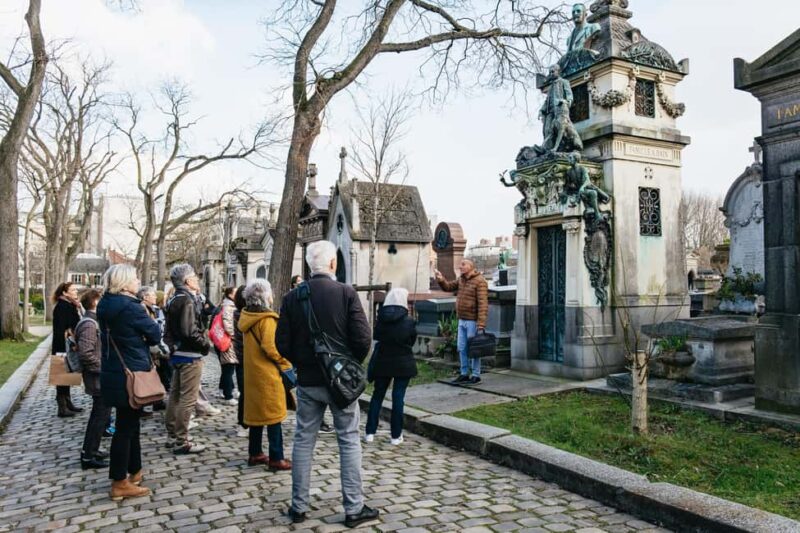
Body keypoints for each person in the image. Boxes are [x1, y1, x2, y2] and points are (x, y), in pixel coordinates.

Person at [276, 240, 378, 528]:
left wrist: (305, 363)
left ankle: (298, 507)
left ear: (310, 265)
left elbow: (281, 343)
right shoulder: (346, 293)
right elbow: (362, 339)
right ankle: (354, 508)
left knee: (303, 440)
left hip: (308, 381)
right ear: (333, 264)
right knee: (348, 440)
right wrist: (345, 365)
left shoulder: (292, 298)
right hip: (340, 384)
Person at [97, 264, 162, 500]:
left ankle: (134, 471)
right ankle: (119, 481)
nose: (138, 281)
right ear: (124, 283)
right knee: (125, 429)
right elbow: (154, 333)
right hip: (131, 372)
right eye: (135, 278)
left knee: (130, 423)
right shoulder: (131, 307)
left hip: (114, 371)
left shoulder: (106, 303)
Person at [239, 279, 293, 470]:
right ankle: (276, 457)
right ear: (264, 296)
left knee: (256, 415)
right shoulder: (267, 320)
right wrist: (286, 362)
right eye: (270, 292)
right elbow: (271, 348)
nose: (273, 296)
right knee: (273, 415)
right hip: (267, 374)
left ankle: (255, 453)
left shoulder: (247, 317)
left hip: (253, 374)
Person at [164, 264, 211, 454]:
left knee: (175, 395)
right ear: (187, 281)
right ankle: (181, 439)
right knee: (187, 398)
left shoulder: (175, 298)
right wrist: (204, 345)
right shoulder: (186, 300)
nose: (197, 279)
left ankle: (172, 435)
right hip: (189, 354)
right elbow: (189, 331)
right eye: (194, 277)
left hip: (178, 353)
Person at [364, 288, 418, 445]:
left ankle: (370, 432)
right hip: (403, 363)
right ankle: (396, 435)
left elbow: (377, 336)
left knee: (377, 396)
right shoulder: (409, 321)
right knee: (398, 398)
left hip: (383, 361)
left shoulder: (381, 319)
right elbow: (411, 341)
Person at [291, 274, 334, 434]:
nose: (301, 284)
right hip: (307, 362)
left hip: (325, 360)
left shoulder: (316, 297)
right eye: (298, 282)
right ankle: (320, 421)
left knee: (305, 433)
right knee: (306, 430)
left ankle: (322, 422)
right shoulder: (292, 299)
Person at [435, 259, 489, 385]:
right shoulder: (461, 279)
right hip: (462, 319)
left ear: (471, 266)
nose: (460, 267)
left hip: (473, 321)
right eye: (461, 264)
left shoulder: (480, 281)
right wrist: (441, 279)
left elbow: (483, 304)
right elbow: (448, 287)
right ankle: (464, 373)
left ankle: (476, 375)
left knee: (474, 348)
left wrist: (481, 324)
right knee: (462, 347)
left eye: (463, 264)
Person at [76, 288, 110, 470]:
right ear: (95, 303)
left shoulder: (93, 321)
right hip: (97, 378)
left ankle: (92, 450)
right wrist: (104, 369)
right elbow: (86, 354)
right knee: (99, 416)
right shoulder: (89, 324)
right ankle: (88, 455)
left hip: (99, 376)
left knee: (100, 416)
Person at [52, 281, 84, 417]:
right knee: (61, 376)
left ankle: (68, 402)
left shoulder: (71, 305)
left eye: (76, 290)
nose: (76, 292)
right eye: (73, 290)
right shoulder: (62, 306)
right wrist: (69, 332)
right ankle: (62, 407)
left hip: (68, 343)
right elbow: (61, 327)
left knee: (69, 374)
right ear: (65, 293)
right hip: (62, 344)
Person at [139, 287, 170, 411]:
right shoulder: (142, 309)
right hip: (147, 348)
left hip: (152, 348)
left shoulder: (151, 309)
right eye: (152, 295)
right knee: (148, 376)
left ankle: (157, 401)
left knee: (157, 374)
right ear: (145, 297)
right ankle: (145, 403)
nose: (155, 297)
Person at [218, 287, 240, 405]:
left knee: (229, 368)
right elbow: (228, 325)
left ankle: (228, 390)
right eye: (235, 293)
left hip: (231, 342)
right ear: (230, 295)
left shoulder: (231, 306)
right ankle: (228, 396)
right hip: (229, 342)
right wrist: (234, 336)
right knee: (228, 369)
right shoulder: (228, 307)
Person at [233, 284, 247, 435]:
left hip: (241, 356)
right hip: (244, 356)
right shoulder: (241, 314)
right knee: (245, 391)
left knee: (245, 391)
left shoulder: (238, 312)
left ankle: (243, 422)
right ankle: (243, 423)